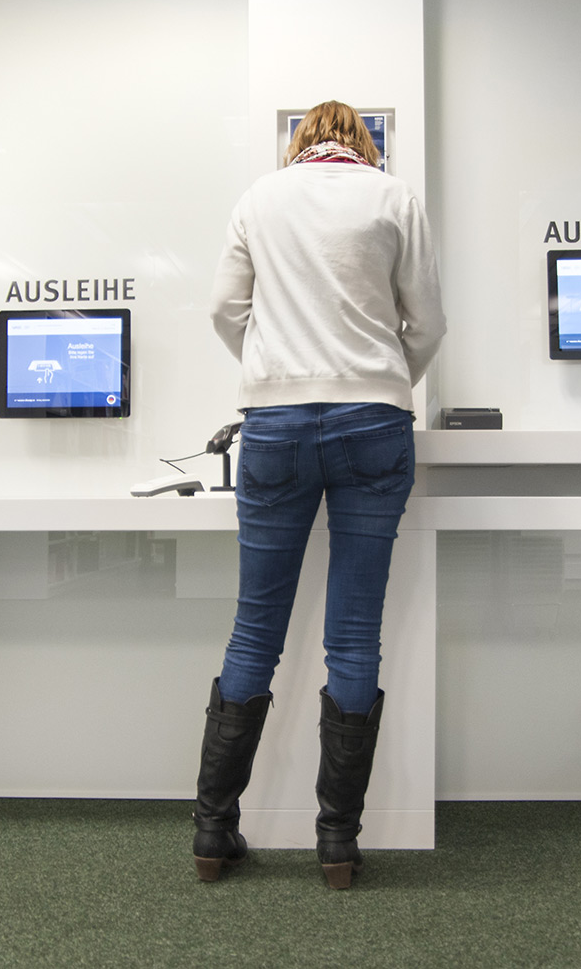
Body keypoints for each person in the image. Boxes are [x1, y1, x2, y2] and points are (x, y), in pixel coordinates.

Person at [192, 100, 446, 889]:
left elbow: (223, 309)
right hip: (375, 420)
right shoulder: (394, 196)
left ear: (299, 142)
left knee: (253, 633)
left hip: (275, 425)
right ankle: (337, 843)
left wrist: (272, 369)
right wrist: (385, 380)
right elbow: (428, 323)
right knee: (356, 636)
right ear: (363, 144)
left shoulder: (260, 198)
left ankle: (212, 832)